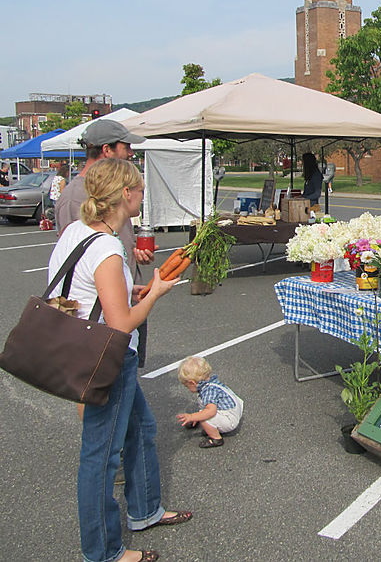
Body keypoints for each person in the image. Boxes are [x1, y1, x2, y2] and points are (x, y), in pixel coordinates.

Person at [48, 158, 191, 562]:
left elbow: (85, 291)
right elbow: (122, 325)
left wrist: (131, 290)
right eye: (141, 190)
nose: (143, 197)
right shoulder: (109, 248)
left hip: (84, 349)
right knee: (101, 456)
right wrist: (158, 292)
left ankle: (145, 510)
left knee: (141, 428)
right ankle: (104, 550)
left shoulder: (77, 232)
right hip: (107, 359)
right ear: (125, 195)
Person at [56, 118, 156, 366]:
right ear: (107, 150)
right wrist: (155, 292)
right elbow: (78, 266)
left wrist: (130, 257)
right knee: (97, 393)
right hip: (97, 335)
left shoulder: (108, 230)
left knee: (123, 393)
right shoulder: (74, 201)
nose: (131, 153)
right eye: (126, 147)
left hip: (116, 304)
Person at [176, 356, 244, 448]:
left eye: (187, 386)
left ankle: (216, 438)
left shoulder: (208, 391)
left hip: (230, 419)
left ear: (192, 383)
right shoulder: (211, 383)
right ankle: (212, 425)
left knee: (204, 415)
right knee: (203, 411)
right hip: (235, 410)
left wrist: (193, 416)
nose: (188, 389)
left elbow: (210, 411)